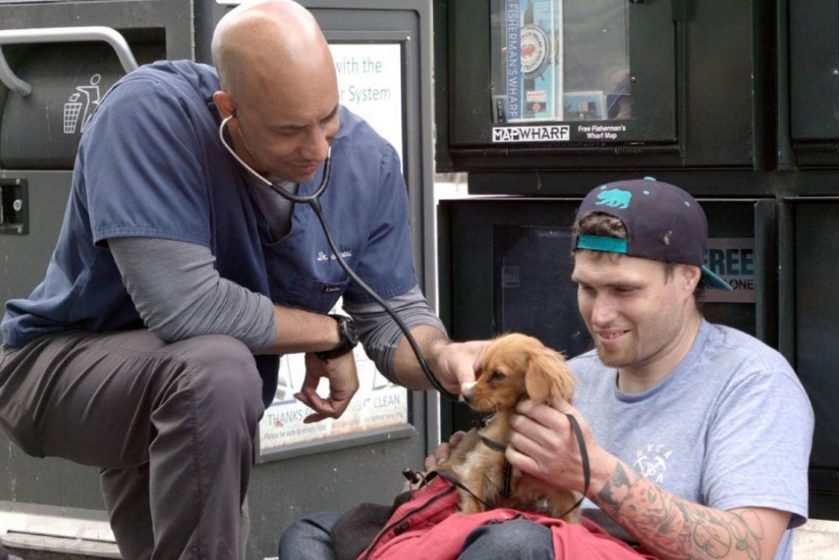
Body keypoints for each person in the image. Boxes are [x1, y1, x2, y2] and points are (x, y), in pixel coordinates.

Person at [0, 1, 484, 558]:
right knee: (220, 371)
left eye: (328, 119)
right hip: (62, 366)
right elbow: (186, 311)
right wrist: (331, 334)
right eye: (289, 131)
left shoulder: (368, 164)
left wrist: (442, 356)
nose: (318, 150)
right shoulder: (149, 115)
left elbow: (392, 319)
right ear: (228, 108)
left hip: (188, 402)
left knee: (211, 392)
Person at [280, 177, 814, 560]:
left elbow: (751, 549)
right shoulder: (572, 374)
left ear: (688, 279)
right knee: (314, 535)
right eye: (587, 287)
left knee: (512, 545)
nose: (599, 314)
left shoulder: (753, 384)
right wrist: (466, 474)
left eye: (625, 290)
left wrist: (595, 474)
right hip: (539, 542)